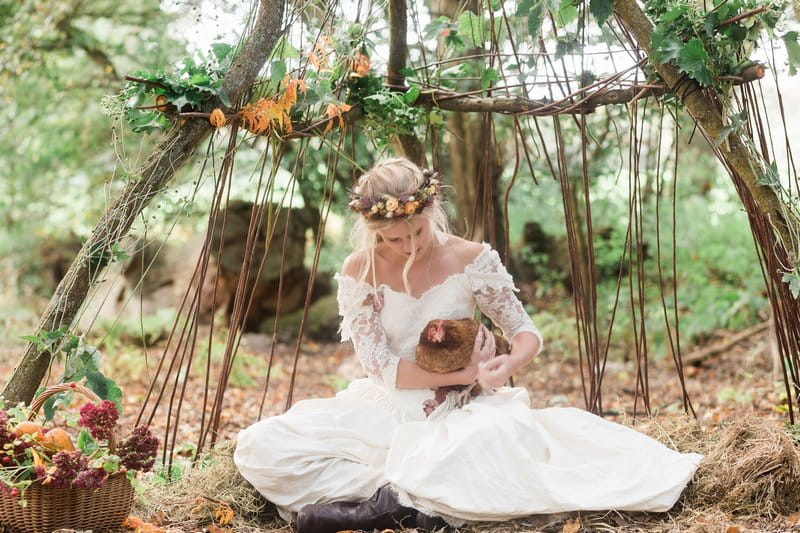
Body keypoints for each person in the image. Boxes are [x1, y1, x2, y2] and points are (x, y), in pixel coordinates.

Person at [233, 157, 703, 532]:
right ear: (373, 229)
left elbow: (525, 332)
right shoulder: (361, 269)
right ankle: (413, 495)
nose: (406, 244)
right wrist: (463, 372)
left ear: (430, 210)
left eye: (416, 231)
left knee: (490, 440)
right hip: (391, 402)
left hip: (462, 406)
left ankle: (395, 503)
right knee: (261, 446)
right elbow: (379, 366)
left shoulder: (471, 257)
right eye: (392, 237)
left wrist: (500, 368)